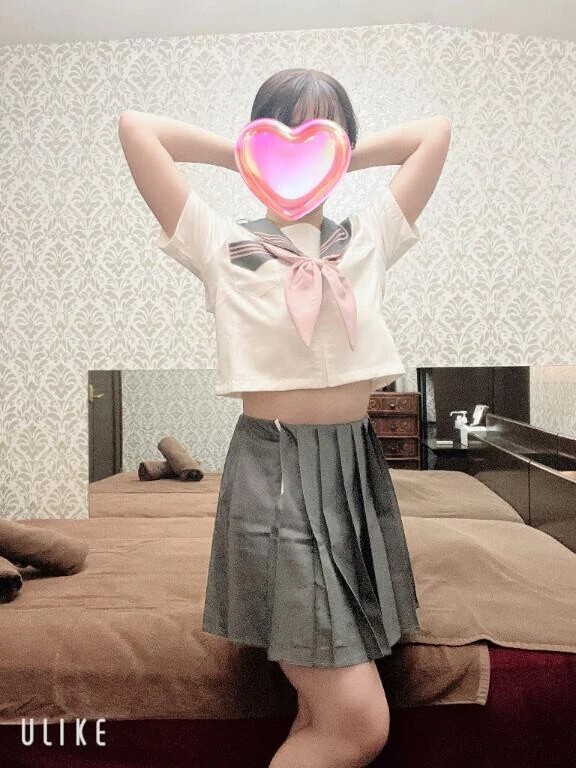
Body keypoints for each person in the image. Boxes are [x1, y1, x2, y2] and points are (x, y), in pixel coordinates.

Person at [119, 68, 451, 768]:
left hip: (355, 467)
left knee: (320, 709)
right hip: (274, 470)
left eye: (319, 136)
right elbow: (136, 129)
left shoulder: (366, 236)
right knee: (358, 726)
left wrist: (336, 153)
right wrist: (249, 155)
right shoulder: (221, 242)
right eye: (282, 135)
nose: (298, 151)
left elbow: (435, 134)